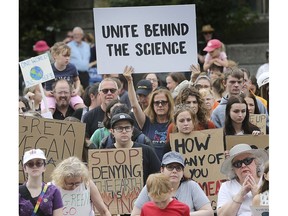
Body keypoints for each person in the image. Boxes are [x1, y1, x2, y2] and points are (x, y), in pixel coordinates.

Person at [131, 151, 214, 216]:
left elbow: (209, 212)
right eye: (170, 167)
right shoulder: (153, 185)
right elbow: (135, 214)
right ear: (162, 170)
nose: (174, 171)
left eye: (178, 168)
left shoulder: (191, 185)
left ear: (182, 172)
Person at [124, 66, 174, 161]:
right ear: (152, 104)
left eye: (163, 102)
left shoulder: (176, 122)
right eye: (156, 102)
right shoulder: (146, 122)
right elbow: (134, 106)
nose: (160, 105)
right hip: (151, 168)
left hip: (170, 168)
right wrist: (130, 81)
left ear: (169, 104)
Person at [105, 112, 161, 184]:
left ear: (132, 130)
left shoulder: (147, 151)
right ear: (112, 131)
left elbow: (158, 177)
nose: (124, 131)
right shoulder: (105, 154)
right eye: (119, 128)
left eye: (127, 128)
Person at [217, 143, 268, 216]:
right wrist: (240, 194)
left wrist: (257, 195)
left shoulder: (267, 181)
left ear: (256, 162)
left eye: (247, 161)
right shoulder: (226, 186)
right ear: (233, 169)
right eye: (238, 164)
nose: (243, 165)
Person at [42, 42, 86, 114]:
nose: (67, 58)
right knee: (47, 113)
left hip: (69, 95)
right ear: (55, 56)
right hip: (51, 95)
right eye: (64, 56)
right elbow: (39, 83)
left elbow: (77, 80)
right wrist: (45, 92)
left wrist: (77, 89)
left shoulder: (72, 67)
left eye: (68, 56)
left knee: (83, 109)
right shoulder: (48, 68)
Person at [19, 149, 63, 216]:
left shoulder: (54, 191)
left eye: (38, 163)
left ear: (44, 167)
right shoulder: (17, 192)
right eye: (30, 164)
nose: (35, 166)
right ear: (25, 168)